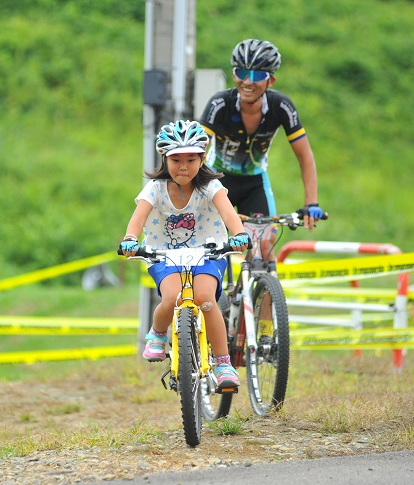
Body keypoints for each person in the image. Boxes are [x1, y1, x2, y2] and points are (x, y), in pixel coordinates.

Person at [119, 120, 250, 388]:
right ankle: (157, 335)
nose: (183, 166)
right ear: (164, 159)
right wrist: (130, 239)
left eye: (191, 159)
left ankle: (224, 363)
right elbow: (138, 218)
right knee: (172, 297)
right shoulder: (154, 189)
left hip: (208, 252)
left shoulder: (210, 187)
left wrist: (239, 234)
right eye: (176, 159)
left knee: (205, 299)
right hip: (163, 254)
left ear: (202, 159)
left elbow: (228, 213)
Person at [199, 38, 324, 258]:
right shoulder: (219, 104)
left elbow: (305, 157)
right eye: (241, 73)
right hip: (217, 180)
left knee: (265, 247)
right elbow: (198, 150)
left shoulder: (281, 107)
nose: (247, 81)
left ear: (271, 80)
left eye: (257, 75)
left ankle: (261, 287)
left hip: (254, 184)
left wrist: (311, 202)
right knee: (209, 245)